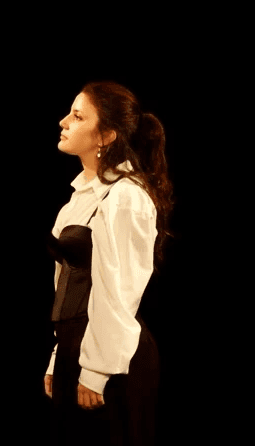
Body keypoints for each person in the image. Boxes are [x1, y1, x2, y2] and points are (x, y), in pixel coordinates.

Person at [43, 81, 172, 446]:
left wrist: (96, 370)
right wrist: (59, 356)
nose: (64, 122)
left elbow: (120, 292)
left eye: (78, 116)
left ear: (105, 136)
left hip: (112, 360)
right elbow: (67, 285)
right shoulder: (78, 199)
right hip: (77, 350)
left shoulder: (125, 196)